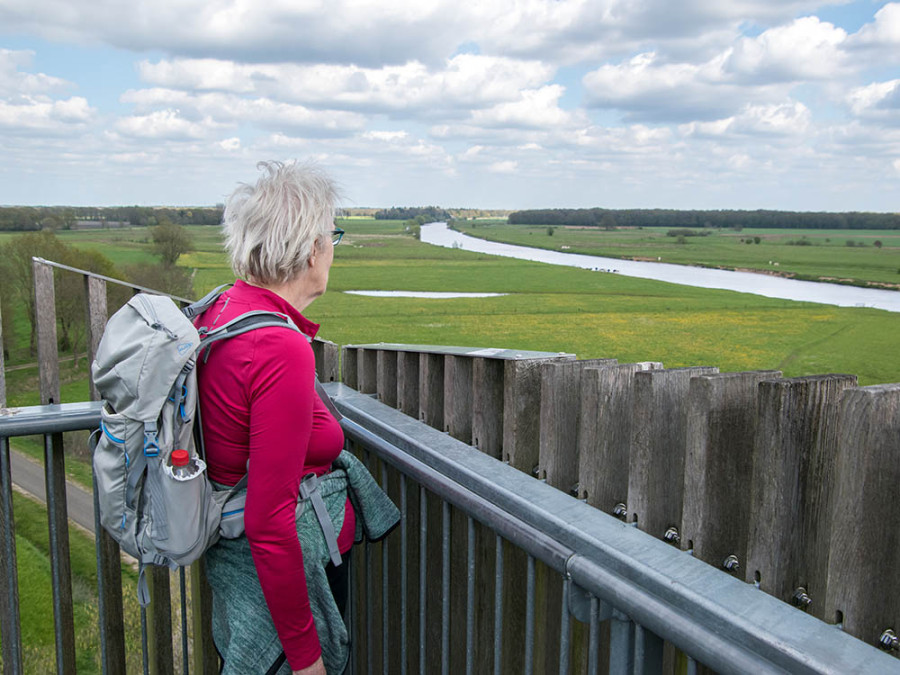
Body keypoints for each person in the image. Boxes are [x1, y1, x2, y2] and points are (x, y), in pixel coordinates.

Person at [197, 160, 352, 675]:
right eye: (333, 235)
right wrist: (307, 659)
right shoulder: (278, 345)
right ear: (312, 249)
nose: (333, 249)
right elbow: (268, 521)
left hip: (236, 569)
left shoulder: (221, 310)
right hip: (275, 594)